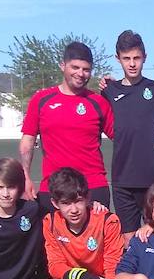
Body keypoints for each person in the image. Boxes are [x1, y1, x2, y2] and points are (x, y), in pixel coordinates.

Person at [37, 167, 124, 279]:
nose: (74, 209)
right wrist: (83, 277)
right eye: (66, 203)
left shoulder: (107, 220)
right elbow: (55, 265)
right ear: (55, 203)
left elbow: (112, 264)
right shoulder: (50, 222)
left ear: (88, 198)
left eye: (78, 201)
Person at [19, 41, 114, 209]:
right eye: (75, 67)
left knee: (96, 236)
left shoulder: (98, 102)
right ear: (62, 65)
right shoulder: (41, 100)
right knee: (51, 236)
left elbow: (122, 137)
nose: (80, 74)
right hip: (54, 188)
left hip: (93, 187)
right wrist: (25, 177)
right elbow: (27, 143)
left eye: (86, 69)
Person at [101, 30, 154, 241]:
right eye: (126, 58)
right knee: (129, 241)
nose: (132, 64)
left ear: (145, 57)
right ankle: (134, 275)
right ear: (118, 59)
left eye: (136, 58)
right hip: (123, 179)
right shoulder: (109, 91)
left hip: (153, 178)